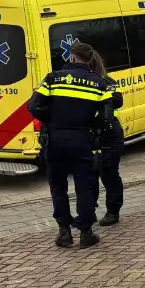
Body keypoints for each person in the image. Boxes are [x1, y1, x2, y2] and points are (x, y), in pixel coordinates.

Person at [28, 42, 114, 248]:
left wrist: (50, 121)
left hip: (54, 139)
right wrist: (92, 126)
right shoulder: (99, 83)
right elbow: (107, 117)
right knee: (84, 186)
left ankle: (64, 232)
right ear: (90, 59)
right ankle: (86, 233)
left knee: (58, 187)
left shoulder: (52, 79)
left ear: (72, 57)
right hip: (82, 140)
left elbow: (33, 106)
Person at [86, 51, 124, 226]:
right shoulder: (81, 84)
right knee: (88, 176)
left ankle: (112, 211)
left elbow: (117, 100)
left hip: (108, 134)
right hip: (88, 134)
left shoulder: (107, 83)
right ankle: (89, 211)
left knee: (109, 173)